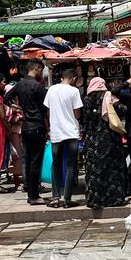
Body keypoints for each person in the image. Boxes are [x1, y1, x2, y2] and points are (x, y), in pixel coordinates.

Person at [82, 77, 129, 209]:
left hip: (91, 140)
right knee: (112, 169)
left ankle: (95, 200)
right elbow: (123, 110)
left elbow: (84, 121)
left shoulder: (86, 99)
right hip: (109, 139)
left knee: (94, 171)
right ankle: (114, 199)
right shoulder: (109, 96)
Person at [6, 62, 47, 205]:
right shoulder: (37, 86)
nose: (41, 72)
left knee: (28, 161)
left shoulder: (19, 84)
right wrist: (48, 128)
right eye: (41, 70)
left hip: (26, 127)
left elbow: (6, 98)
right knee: (35, 162)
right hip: (37, 126)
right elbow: (44, 110)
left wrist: (17, 107)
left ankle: (31, 194)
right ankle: (34, 195)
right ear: (36, 68)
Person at [44, 68, 83, 208]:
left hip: (56, 133)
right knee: (71, 165)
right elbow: (77, 114)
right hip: (71, 133)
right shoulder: (74, 91)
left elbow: (48, 112)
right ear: (73, 78)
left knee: (56, 164)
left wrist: (50, 127)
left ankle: (55, 198)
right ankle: (67, 198)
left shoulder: (51, 90)